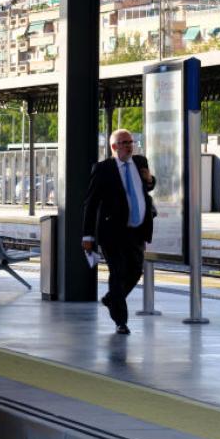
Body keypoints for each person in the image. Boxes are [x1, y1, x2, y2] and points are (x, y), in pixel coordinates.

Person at [82, 129, 156, 335]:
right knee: (118, 272)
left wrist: (150, 180)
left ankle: (112, 298)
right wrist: (87, 236)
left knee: (135, 271)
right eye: (124, 143)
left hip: (137, 230)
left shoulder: (140, 162)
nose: (129, 146)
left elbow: (147, 186)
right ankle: (121, 321)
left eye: (130, 142)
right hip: (112, 232)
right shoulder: (103, 169)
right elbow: (90, 203)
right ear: (114, 147)